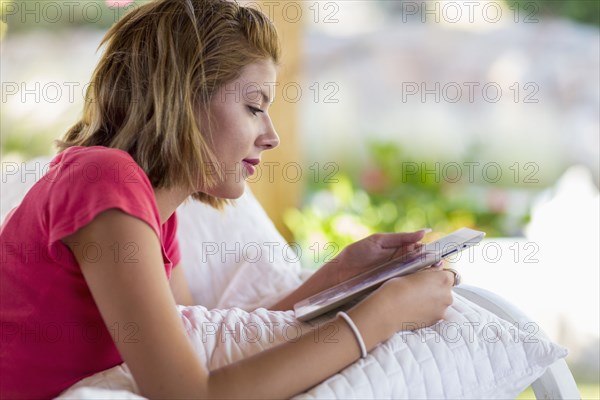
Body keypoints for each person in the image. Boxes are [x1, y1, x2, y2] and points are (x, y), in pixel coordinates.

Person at [0, 0, 456, 398]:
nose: (272, 136)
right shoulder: (104, 180)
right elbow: (190, 393)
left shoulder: (155, 214)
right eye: (255, 106)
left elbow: (202, 341)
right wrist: (385, 315)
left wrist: (339, 276)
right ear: (183, 96)